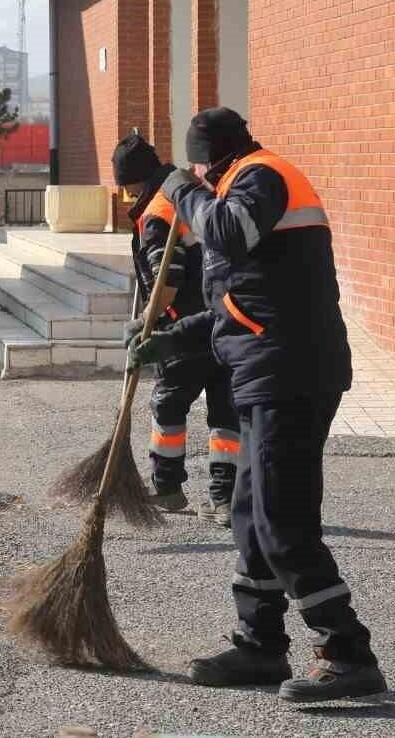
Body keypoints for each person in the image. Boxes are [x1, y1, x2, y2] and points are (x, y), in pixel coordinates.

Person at [126, 107, 385, 703]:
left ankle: (346, 651)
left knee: (281, 517)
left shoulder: (262, 176)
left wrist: (185, 193)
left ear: (206, 157)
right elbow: (236, 305)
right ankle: (260, 645)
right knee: (248, 513)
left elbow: (226, 231)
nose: (196, 177)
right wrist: (170, 337)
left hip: (291, 371)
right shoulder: (243, 183)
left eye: (197, 168)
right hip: (267, 368)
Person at [110, 131, 239, 525]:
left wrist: (145, 320)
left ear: (135, 182)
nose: (129, 198)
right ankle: (225, 499)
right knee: (226, 409)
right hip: (226, 318)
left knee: (168, 403)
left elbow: (167, 282)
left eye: (127, 189)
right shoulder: (193, 192)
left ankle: (167, 487)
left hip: (186, 326)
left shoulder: (159, 212)